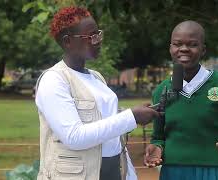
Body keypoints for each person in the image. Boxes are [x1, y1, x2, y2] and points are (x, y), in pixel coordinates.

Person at [35, 7, 159, 180]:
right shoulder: (54, 80)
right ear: (67, 41)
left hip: (112, 171)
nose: (97, 41)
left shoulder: (96, 77)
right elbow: (74, 137)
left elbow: (108, 129)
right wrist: (131, 117)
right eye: (90, 36)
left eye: (98, 34)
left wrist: (129, 173)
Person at [144, 20, 218, 180]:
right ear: (170, 48)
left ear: (203, 50)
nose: (183, 49)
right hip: (173, 173)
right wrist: (157, 147)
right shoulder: (162, 90)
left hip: (216, 172)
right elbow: (158, 136)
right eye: (177, 44)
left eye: (192, 44)